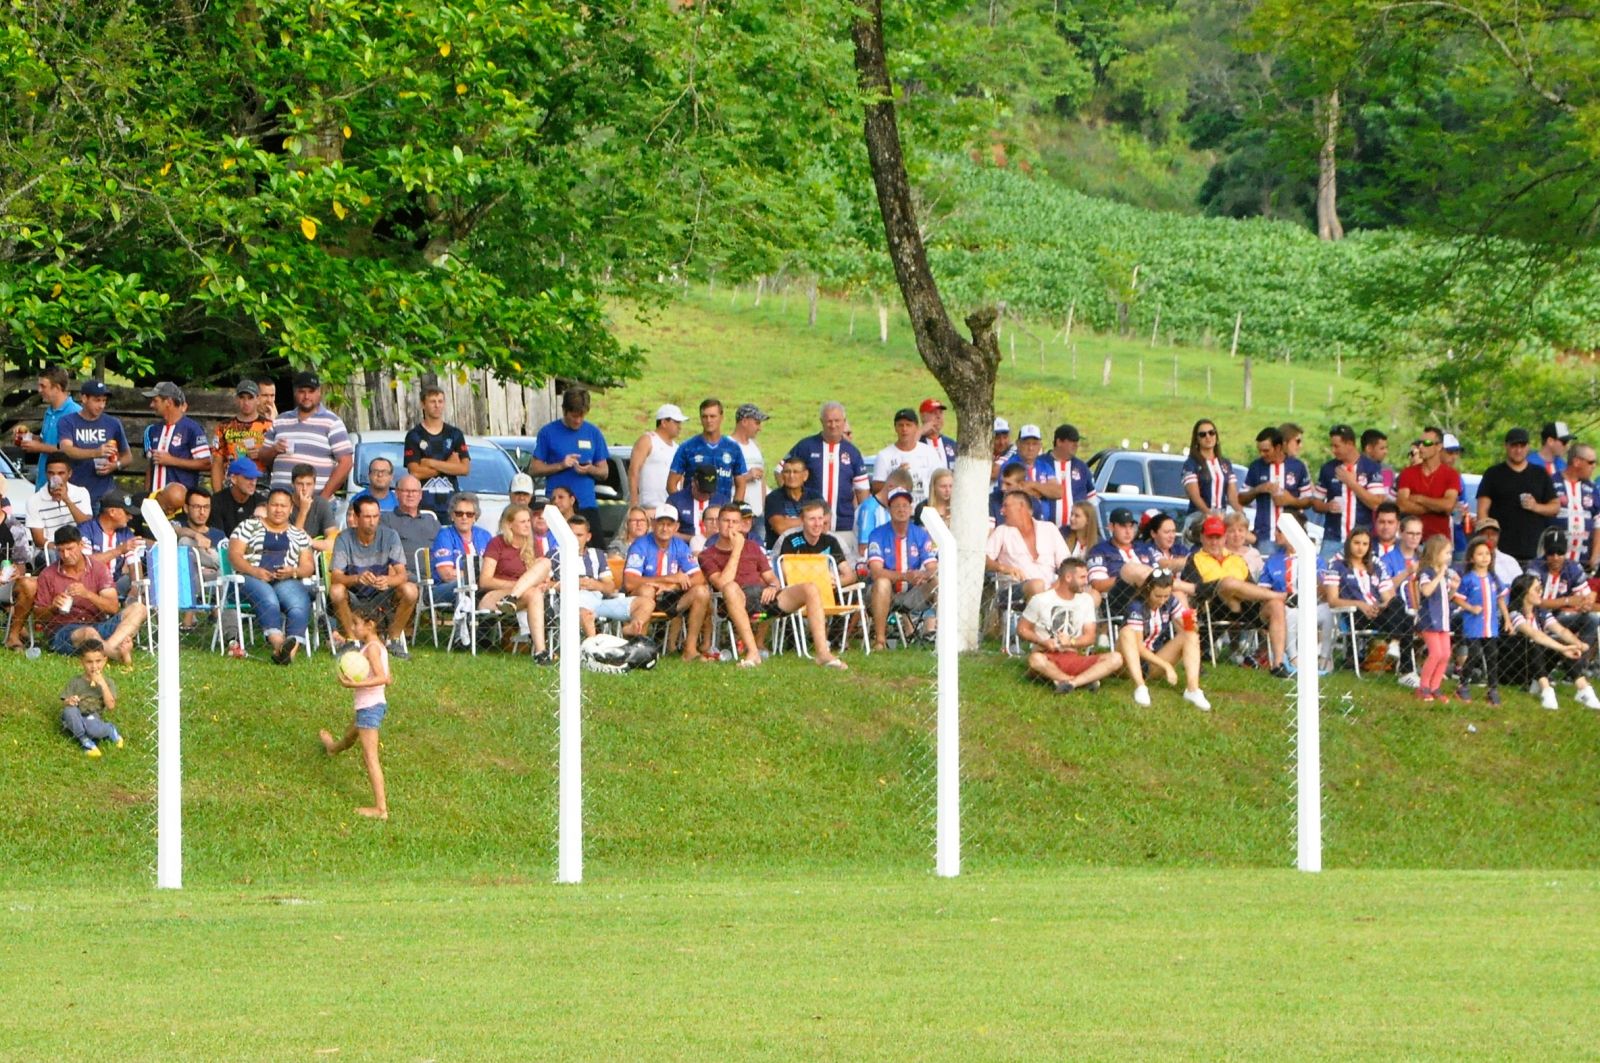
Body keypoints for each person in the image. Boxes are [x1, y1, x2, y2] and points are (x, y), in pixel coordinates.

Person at [700, 505, 848, 669]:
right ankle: (753, 653)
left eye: (735, 522)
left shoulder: (753, 547)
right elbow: (722, 584)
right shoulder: (707, 555)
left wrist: (772, 586)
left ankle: (822, 653)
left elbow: (772, 578)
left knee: (810, 588)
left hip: (764, 597)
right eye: (726, 521)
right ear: (718, 524)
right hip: (733, 601)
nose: (730, 526)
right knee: (730, 587)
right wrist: (737, 550)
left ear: (741, 525)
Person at [1184, 514, 1290, 676]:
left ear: (1224, 538)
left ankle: (1278, 664)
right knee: (1228, 583)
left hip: (1245, 607)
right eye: (1210, 537)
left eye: (1218, 537)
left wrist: (1238, 594)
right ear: (1202, 538)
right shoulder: (1195, 559)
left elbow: (1251, 588)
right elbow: (1195, 590)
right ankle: (1280, 596)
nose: (1214, 542)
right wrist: (1223, 586)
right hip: (1212, 606)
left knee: (1276, 605)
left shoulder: (1236, 559)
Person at [228, 488, 316, 664]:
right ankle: (279, 645)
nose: (278, 509)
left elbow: (308, 566)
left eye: (283, 506)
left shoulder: (298, 535)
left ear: (291, 509)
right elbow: (234, 556)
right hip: (250, 578)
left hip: (285, 579)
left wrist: (293, 571)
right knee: (268, 598)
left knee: (299, 603)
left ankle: (287, 654)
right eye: (274, 505)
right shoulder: (248, 526)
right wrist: (255, 571)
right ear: (267, 506)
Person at [34, 525, 146, 662]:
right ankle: (117, 656)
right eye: (61, 551)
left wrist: (87, 594)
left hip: (97, 624)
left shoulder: (98, 569)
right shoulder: (48, 574)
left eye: (70, 549)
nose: (66, 555)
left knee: (139, 609)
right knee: (88, 632)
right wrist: (53, 607)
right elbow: (39, 616)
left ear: (81, 545)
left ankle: (105, 649)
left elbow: (113, 607)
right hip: (64, 631)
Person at [319, 610, 392, 820]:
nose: (352, 629)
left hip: (370, 708)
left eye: (356, 624)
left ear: (370, 625)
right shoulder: (376, 646)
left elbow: (384, 678)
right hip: (372, 705)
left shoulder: (372, 650)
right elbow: (390, 678)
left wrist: (354, 683)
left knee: (370, 757)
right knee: (350, 736)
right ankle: (333, 748)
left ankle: (380, 809)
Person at [1017, 558, 1124, 694]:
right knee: (1035, 660)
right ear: (1068, 577)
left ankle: (1070, 683)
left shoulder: (1086, 601)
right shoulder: (1041, 600)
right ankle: (1082, 680)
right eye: (1082, 577)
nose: (1086, 582)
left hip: (1073, 656)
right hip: (1047, 656)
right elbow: (1022, 629)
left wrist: (1071, 642)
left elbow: (1090, 637)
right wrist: (1043, 642)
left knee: (1116, 658)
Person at [330, 496, 418, 656]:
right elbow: (335, 577)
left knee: (410, 590)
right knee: (336, 590)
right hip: (353, 595)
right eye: (367, 517)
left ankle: (394, 640)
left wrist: (388, 580)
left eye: (376, 516)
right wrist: (357, 578)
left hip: (382, 594)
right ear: (356, 518)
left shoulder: (390, 536)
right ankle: (351, 642)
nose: (372, 521)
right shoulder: (344, 538)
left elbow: (402, 574)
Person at [622, 505, 711, 661]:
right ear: (653, 524)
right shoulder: (640, 545)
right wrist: (669, 578)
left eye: (669, 524)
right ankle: (640, 650)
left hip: (671, 596)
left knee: (702, 592)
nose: (665, 528)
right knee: (646, 590)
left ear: (676, 527)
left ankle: (690, 650)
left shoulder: (680, 546)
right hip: (643, 597)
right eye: (661, 523)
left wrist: (672, 585)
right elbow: (630, 583)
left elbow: (699, 577)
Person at [1505, 573, 1600, 711]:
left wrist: (1577, 644)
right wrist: (1562, 648)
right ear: (1525, 592)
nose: (1541, 593)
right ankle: (1546, 690)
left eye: (1541, 589)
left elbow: (1561, 630)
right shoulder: (1514, 613)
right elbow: (1535, 634)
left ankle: (1583, 689)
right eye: (1537, 590)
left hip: (1535, 663)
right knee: (1535, 642)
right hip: (1514, 666)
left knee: (1562, 643)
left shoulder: (1540, 611)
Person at [1321, 527, 1411, 672]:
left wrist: (1380, 606)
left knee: (1399, 605)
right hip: (1354, 614)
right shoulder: (1337, 565)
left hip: (1377, 612)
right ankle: (1406, 669)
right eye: (1356, 543)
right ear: (1349, 543)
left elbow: (1388, 597)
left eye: (1365, 544)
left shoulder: (1376, 565)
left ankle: (1395, 643)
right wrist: (1360, 604)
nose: (1360, 548)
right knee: (1405, 621)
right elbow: (1332, 600)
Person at [786, 401, 869, 559]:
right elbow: (780, 471)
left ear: (844, 422)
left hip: (843, 527)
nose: (833, 425)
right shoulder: (806, 446)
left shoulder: (853, 452)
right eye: (829, 421)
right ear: (821, 422)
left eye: (837, 421)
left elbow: (863, 492)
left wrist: (862, 528)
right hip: (810, 529)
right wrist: (791, 497)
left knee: (843, 570)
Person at [529, 386, 610, 544]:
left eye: (582, 416)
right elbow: (534, 468)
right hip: (557, 506)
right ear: (564, 410)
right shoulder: (548, 432)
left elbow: (604, 471)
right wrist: (561, 465)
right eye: (574, 416)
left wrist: (590, 469)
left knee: (596, 551)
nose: (578, 420)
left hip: (587, 504)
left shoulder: (593, 432)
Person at [1118, 574, 1211, 710]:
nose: (1162, 601)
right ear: (1148, 590)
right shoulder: (1136, 607)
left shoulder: (1170, 602)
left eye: (1166, 596)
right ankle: (1140, 687)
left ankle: (1193, 690)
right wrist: (1166, 666)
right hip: (1128, 662)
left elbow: (1192, 630)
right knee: (1127, 632)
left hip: (1152, 662)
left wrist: (1191, 621)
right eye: (1158, 596)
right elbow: (1138, 647)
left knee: (1190, 635)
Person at [865, 488, 938, 651]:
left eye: (905, 505)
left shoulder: (920, 534)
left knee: (936, 581)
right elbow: (876, 572)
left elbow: (933, 567)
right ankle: (880, 641)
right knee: (882, 582)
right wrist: (905, 576)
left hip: (912, 593)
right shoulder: (877, 534)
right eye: (896, 505)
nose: (901, 509)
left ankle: (945, 637)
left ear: (911, 509)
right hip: (883, 594)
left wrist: (923, 575)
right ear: (889, 510)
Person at [260, 371, 354, 497]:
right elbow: (263, 457)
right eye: (302, 391)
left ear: (319, 392)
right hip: (281, 504)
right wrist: (274, 450)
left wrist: (322, 499)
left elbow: (346, 462)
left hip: (314, 502)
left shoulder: (332, 422)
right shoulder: (280, 420)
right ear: (295, 392)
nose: (306, 396)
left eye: (311, 391)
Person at [1476, 427, 1558, 563]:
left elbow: (1555, 507)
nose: (1518, 450)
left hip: (1533, 551)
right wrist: (1488, 542)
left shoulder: (1540, 474)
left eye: (1522, 445)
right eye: (1514, 445)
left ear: (1528, 447)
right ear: (1506, 446)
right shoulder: (1493, 474)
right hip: (1501, 551)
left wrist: (1536, 506)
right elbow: (1482, 512)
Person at [1312, 424, 1388, 559]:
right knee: (1324, 576)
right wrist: (1327, 506)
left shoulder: (1371, 467)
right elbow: (1316, 503)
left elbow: (1376, 504)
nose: (1333, 450)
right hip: (1333, 538)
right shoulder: (1328, 468)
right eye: (1332, 446)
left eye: (1336, 446)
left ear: (1350, 444)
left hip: (1361, 539)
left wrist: (1352, 483)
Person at [985, 490, 1071, 602]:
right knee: (1037, 585)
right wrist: (1002, 568)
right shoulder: (1002, 531)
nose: (1001, 511)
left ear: (1021, 506)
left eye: (1006, 506)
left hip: (1051, 588)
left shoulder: (1049, 528)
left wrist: (1058, 584)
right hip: (1015, 589)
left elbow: (1067, 564)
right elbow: (984, 559)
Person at [56, 379, 129, 507]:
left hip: (105, 495)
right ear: (84, 398)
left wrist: (115, 465)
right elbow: (66, 449)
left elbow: (128, 457)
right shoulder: (67, 422)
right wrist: (97, 452)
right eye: (97, 400)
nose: (101, 405)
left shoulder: (113, 423)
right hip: (75, 494)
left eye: (104, 401)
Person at [1240, 426, 1311, 554]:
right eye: (1260, 450)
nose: (1262, 454)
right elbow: (1241, 498)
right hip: (1266, 536)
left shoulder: (1297, 466)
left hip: (1293, 535)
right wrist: (1258, 490)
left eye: (1266, 450)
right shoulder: (1256, 466)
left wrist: (1291, 500)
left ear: (1278, 447)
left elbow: (1308, 501)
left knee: (1292, 571)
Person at [404, 385, 471, 519]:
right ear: (423, 404)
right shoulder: (414, 436)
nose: (437, 406)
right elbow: (415, 472)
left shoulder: (454, 434)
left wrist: (430, 462)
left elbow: (464, 468)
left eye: (440, 401)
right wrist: (449, 465)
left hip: (451, 505)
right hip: (424, 505)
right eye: (432, 402)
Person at [1527, 529, 1597, 656]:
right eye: (1551, 553)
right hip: (1536, 617)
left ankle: (1581, 663)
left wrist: (1586, 603)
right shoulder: (1534, 567)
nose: (1555, 557)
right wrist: (1567, 601)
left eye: (1560, 553)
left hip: (1560, 617)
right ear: (1545, 552)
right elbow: (1535, 602)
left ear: (1566, 552)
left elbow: (1585, 598)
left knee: (1592, 619)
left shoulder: (1573, 567)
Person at [428, 491, 493, 624]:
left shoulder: (485, 535)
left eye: (469, 514)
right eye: (459, 513)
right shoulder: (444, 535)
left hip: (480, 586)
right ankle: (462, 636)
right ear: (452, 516)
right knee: (466, 585)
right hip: (443, 589)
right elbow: (446, 574)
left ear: (475, 517)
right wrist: (479, 577)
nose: (464, 517)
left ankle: (486, 632)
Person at [1452, 537, 1504, 705]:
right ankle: (1463, 684)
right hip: (1474, 625)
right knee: (1474, 653)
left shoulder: (1494, 578)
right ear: (1472, 558)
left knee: (1492, 655)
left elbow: (1501, 598)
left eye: (1487, 553)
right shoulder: (1468, 579)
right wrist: (1471, 608)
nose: (1484, 557)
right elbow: (1457, 598)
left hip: (1491, 626)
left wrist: (1507, 619)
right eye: (1480, 554)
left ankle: (1493, 689)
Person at [668, 397, 747, 503]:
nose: (709, 420)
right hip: (694, 513)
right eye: (704, 416)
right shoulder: (687, 447)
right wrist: (682, 506)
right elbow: (671, 484)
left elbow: (741, 485)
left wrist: (734, 511)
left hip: (721, 512)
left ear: (721, 417)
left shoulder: (733, 448)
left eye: (713, 416)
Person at [14, 367, 80, 488]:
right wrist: (28, 436)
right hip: (43, 483)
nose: (39, 390)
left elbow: (73, 450)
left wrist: (39, 447)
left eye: (43, 386)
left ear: (57, 388)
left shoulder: (75, 413)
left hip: (62, 487)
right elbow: (45, 440)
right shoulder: (49, 411)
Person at [1086, 507, 1160, 616]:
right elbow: (1098, 584)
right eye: (1123, 526)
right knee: (1132, 570)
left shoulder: (1143, 549)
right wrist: (1128, 578)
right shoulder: (1100, 550)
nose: (1128, 531)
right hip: (1119, 598)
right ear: (1111, 527)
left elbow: (1160, 577)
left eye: (1131, 526)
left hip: (1152, 595)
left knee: (1175, 592)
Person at [141, 381, 211, 493]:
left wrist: (172, 460)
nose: (151, 405)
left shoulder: (192, 429)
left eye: (155, 401)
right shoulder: (152, 430)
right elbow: (150, 466)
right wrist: (146, 495)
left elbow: (206, 463)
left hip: (182, 500)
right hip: (155, 500)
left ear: (168, 402)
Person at [569, 514, 632, 638]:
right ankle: (594, 649)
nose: (574, 539)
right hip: (571, 603)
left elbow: (610, 587)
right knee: (585, 613)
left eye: (579, 535)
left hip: (599, 603)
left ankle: (632, 638)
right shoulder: (555, 555)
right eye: (571, 535)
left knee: (645, 604)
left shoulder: (597, 555)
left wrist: (596, 585)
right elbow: (546, 584)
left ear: (588, 537)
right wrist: (571, 584)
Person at [1413, 534, 1460, 703]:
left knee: (1446, 654)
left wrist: (1453, 590)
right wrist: (1440, 575)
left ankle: (1435, 686)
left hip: (1443, 619)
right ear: (1435, 553)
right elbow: (1426, 591)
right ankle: (1423, 686)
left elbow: (1443, 598)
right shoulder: (1427, 572)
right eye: (1446, 553)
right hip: (1429, 619)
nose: (1449, 557)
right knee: (1435, 653)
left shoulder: (1444, 574)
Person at [1395, 426, 1462, 542]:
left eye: (1426, 443)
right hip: (1411, 541)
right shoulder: (1405, 473)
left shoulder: (1452, 475)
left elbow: (1448, 506)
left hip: (1439, 542)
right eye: (1420, 443)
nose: (1421, 447)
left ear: (1439, 446)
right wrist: (1437, 507)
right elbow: (1402, 505)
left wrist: (1419, 498)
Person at [58, 640, 122, 757]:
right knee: (69, 711)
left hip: (92, 716)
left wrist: (102, 684)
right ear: (82, 662)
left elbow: (111, 706)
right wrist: (70, 701)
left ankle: (109, 729)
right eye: (89, 662)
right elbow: (65, 702)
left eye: (98, 661)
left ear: (105, 660)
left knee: (93, 729)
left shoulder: (108, 682)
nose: (94, 666)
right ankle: (85, 740)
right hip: (76, 715)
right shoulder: (76, 681)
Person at [776, 498, 857, 586]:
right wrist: (819, 579)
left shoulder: (831, 541)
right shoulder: (791, 540)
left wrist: (836, 582)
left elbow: (849, 575)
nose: (817, 523)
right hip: (800, 592)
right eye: (812, 519)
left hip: (827, 593)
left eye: (820, 518)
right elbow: (785, 575)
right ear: (802, 520)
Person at [211, 379, 273, 489]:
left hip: (260, 484)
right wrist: (217, 496)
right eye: (242, 397)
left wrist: (262, 454)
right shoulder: (223, 427)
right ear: (236, 399)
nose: (246, 402)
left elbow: (277, 459)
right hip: (232, 483)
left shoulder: (269, 426)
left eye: (250, 398)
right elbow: (217, 463)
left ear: (258, 399)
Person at [873, 408, 944, 503]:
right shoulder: (884, 455)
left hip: (925, 510)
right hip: (896, 511)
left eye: (908, 425)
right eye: (900, 425)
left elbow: (940, 480)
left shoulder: (929, 452)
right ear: (895, 428)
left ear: (916, 427)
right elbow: (876, 488)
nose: (904, 429)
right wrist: (896, 476)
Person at [76, 493, 140, 599]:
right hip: (88, 586)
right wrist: (119, 550)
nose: (131, 517)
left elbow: (135, 565)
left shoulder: (126, 532)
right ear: (112, 512)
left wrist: (135, 589)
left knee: (138, 581)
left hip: (115, 585)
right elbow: (85, 563)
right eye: (127, 512)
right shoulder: (85, 530)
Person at [380, 476, 441, 582]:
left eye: (414, 491)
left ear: (420, 495)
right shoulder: (386, 520)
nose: (410, 495)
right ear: (396, 494)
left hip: (437, 577)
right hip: (407, 579)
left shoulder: (431, 519)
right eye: (406, 491)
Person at [26, 454, 92, 550]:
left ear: (69, 474)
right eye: (51, 473)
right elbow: (39, 541)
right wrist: (62, 549)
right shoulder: (34, 501)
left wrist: (67, 500)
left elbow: (88, 526)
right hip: (51, 550)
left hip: (79, 547)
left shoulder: (81, 493)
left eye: (61, 473)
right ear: (46, 474)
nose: (56, 477)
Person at [2, 485, 38, 650]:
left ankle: (14, 634)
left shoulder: (14, 527)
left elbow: (22, 567)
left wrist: (15, 572)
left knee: (29, 585)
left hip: (5, 583)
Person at [629, 403, 685, 510]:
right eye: (676, 422)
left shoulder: (677, 448)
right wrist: (634, 503)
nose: (680, 426)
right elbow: (633, 471)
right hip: (649, 508)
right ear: (663, 422)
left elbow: (680, 478)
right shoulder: (648, 440)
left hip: (672, 509)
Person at [1552, 443, 1600, 566]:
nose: (1594, 466)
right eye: (1591, 462)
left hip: (1584, 562)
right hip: (1554, 560)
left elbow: (1598, 522)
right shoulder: (1551, 482)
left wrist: (1595, 555)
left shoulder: (1592, 488)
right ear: (1577, 462)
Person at [1181, 419, 1240, 518]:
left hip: (1221, 515)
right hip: (1198, 515)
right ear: (1197, 439)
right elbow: (1195, 496)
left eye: (1211, 433)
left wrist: (1241, 513)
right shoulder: (1191, 464)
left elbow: (1232, 496)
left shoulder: (1225, 463)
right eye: (1202, 434)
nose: (1208, 437)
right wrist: (1209, 513)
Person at [1004, 425, 1057, 521]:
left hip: (1042, 525)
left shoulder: (1045, 466)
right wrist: (1044, 490)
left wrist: (1033, 485)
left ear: (1040, 445)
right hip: (1017, 523)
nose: (1031, 448)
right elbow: (1010, 491)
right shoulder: (1009, 465)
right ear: (1018, 444)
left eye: (1035, 443)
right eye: (1026, 443)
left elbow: (1057, 491)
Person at [666, 465, 730, 544]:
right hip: (684, 547)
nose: (706, 495)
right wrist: (695, 540)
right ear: (693, 482)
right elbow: (667, 530)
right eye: (702, 491)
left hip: (717, 546)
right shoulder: (675, 500)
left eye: (709, 492)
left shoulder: (723, 501)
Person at [286, 463, 339, 552]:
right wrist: (303, 511)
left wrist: (311, 542)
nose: (304, 488)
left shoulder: (321, 504)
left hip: (315, 554)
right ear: (292, 484)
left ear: (314, 485)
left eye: (309, 484)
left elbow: (334, 541)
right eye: (300, 484)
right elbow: (293, 542)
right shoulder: (284, 504)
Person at [730, 402, 769, 519]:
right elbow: (720, 480)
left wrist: (762, 508)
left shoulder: (755, 446)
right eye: (757, 423)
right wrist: (746, 477)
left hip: (757, 515)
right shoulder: (727, 445)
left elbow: (762, 480)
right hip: (737, 514)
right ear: (744, 421)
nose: (759, 428)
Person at [763, 456, 813, 548]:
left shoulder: (814, 497)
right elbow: (780, 528)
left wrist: (789, 521)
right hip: (780, 554)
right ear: (782, 475)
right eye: (787, 472)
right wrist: (810, 520)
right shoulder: (773, 498)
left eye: (796, 472)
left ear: (805, 475)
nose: (791, 476)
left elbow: (824, 526)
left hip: (810, 553)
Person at [211, 458, 268, 537]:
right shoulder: (217, 501)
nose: (253, 483)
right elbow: (217, 535)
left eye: (255, 477)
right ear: (234, 479)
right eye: (248, 478)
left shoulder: (261, 502)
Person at [917, 398, 957, 469]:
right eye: (933, 413)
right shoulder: (916, 442)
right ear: (922, 416)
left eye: (941, 412)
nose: (938, 417)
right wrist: (921, 431)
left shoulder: (951, 443)